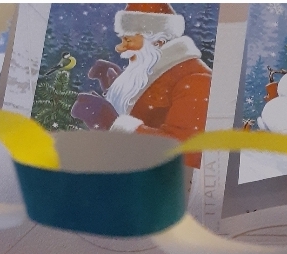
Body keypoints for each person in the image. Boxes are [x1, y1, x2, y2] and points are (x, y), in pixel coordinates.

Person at [70, 3, 212, 168]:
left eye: (128, 40)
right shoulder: (156, 70)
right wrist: (113, 87)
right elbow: (148, 105)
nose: (120, 48)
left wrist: (111, 123)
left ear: (158, 42)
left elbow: (187, 155)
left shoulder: (196, 79)